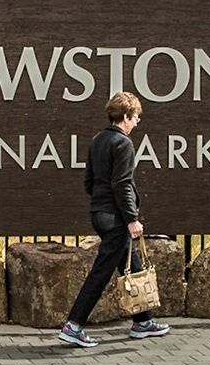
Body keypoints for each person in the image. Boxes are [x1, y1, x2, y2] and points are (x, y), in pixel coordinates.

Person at [58, 91, 170, 348]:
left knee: (133, 262)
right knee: (101, 273)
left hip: (100, 213)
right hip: (116, 216)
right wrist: (132, 218)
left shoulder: (98, 140)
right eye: (136, 117)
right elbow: (122, 184)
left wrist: (101, 201)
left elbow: (90, 181)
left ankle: (143, 321)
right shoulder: (124, 144)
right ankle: (73, 326)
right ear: (125, 116)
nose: (137, 122)